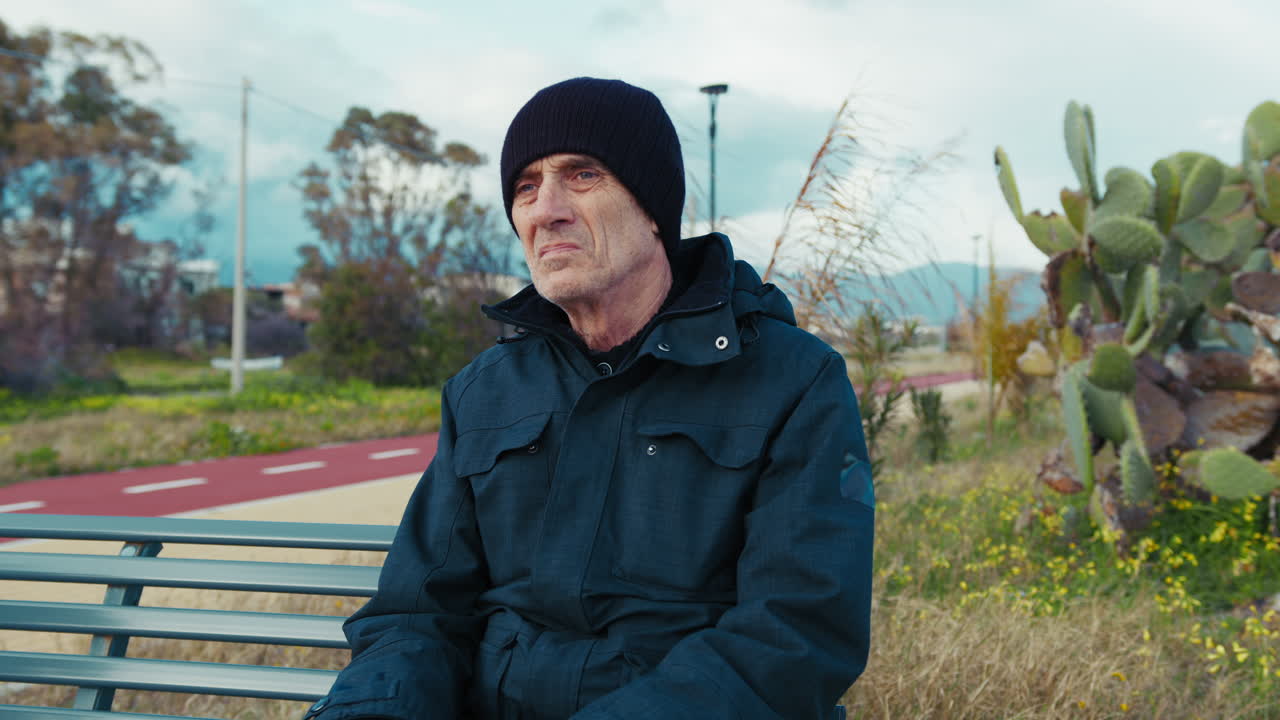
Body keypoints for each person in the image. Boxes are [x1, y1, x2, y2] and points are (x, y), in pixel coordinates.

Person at [305, 77, 874, 720]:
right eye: (526, 187)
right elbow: (417, 614)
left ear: (654, 207)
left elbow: (796, 636)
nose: (545, 210)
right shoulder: (484, 391)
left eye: (581, 175)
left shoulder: (793, 382)